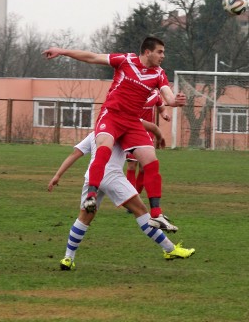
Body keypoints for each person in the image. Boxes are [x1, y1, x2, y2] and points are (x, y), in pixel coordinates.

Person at [42, 37, 185, 233]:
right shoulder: (125, 60)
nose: (163, 56)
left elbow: (168, 96)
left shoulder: (159, 74)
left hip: (132, 122)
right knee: (104, 149)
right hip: (111, 116)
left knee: (151, 161)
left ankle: (156, 215)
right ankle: (91, 196)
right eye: (160, 52)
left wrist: (175, 101)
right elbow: (92, 57)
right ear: (147, 52)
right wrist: (62, 50)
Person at [48, 121, 194, 270]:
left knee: (84, 218)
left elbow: (75, 154)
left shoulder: (96, 133)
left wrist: (57, 175)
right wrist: (158, 134)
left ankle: (68, 258)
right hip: (112, 177)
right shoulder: (124, 126)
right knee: (141, 211)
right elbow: (149, 126)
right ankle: (170, 249)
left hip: (92, 178)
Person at [126, 89, 170, 202]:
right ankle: (131, 198)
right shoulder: (133, 92)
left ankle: (137, 196)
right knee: (131, 165)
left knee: (143, 168)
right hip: (133, 130)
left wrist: (164, 114)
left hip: (148, 132)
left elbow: (161, 107)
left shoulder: (155, 95)